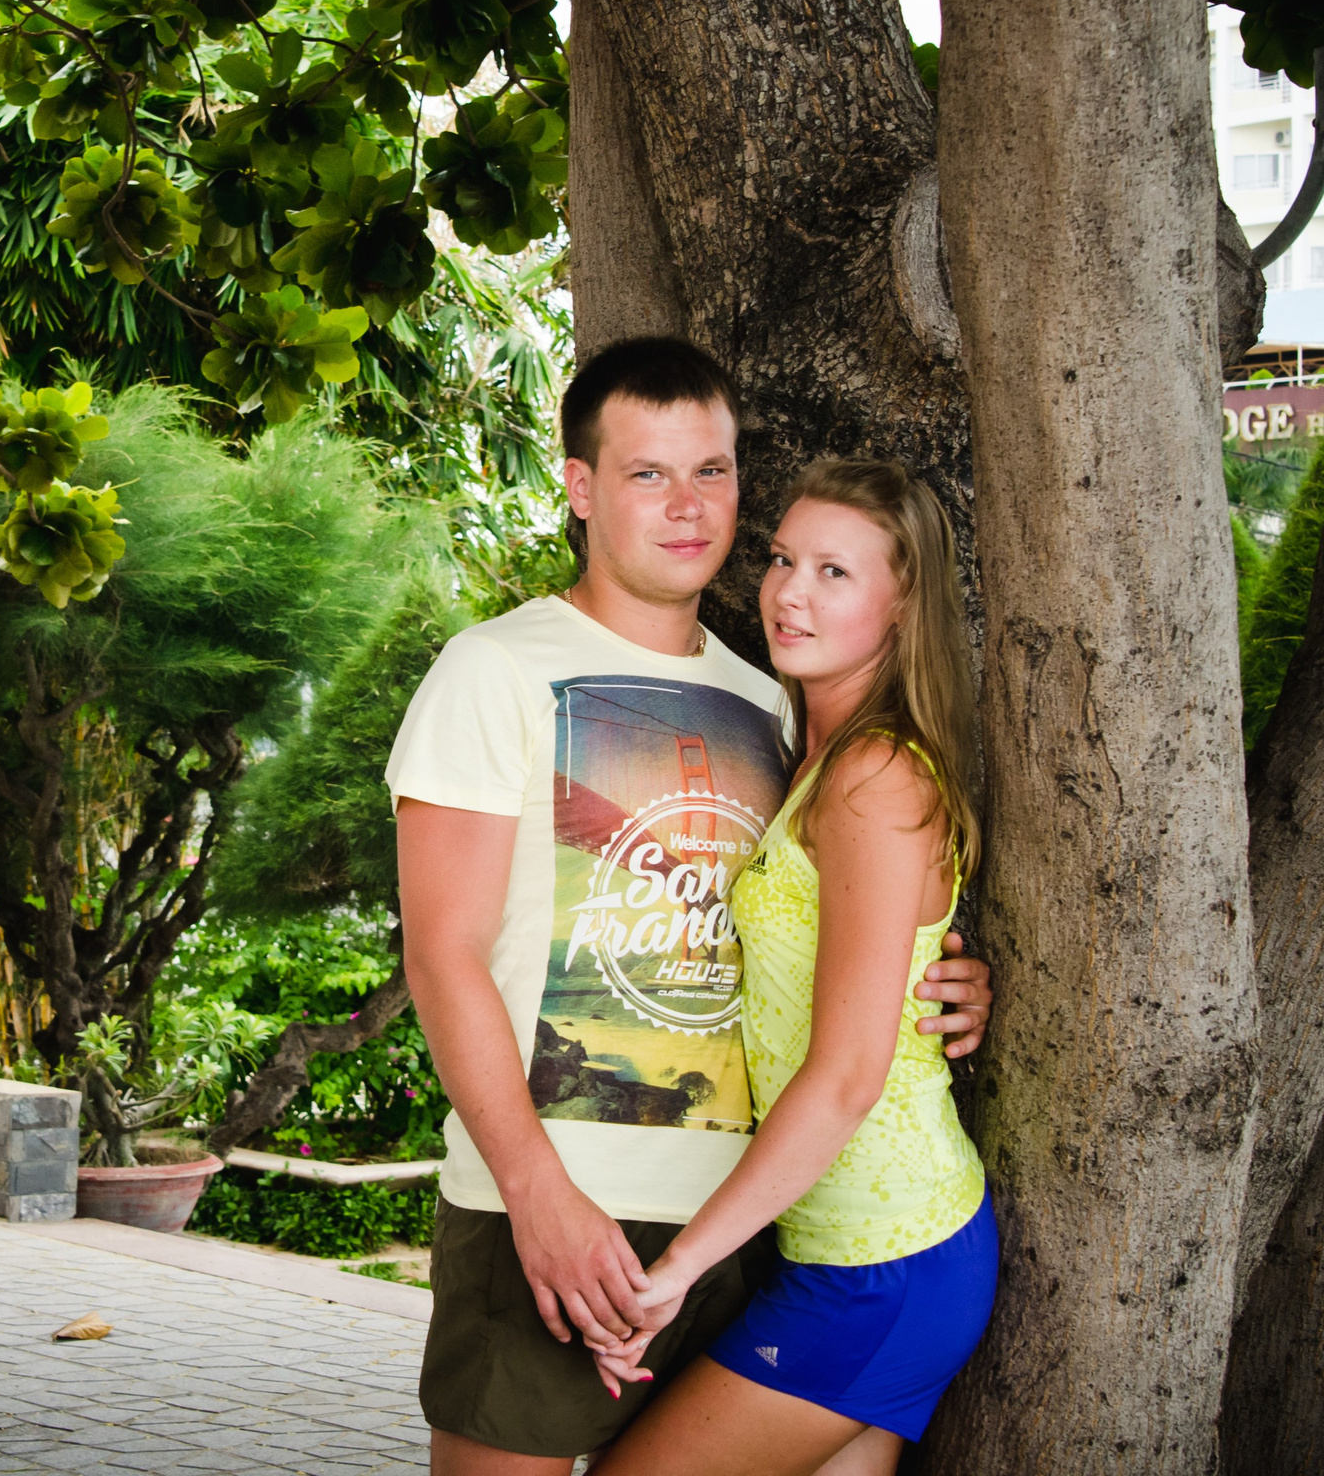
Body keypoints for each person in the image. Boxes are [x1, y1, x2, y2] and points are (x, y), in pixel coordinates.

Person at [390, 339, 993, 1475]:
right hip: (553, 1210)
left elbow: (834, 924)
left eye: (710, 472)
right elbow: (444, 960)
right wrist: (537, 1195)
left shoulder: (771, 698)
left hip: (751, 1226)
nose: (686, 507)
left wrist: (950, 968)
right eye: (647, 474)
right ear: (580, 488)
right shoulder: (493, 670)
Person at [582, 457, 995, 1476]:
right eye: (780, 558)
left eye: (834, 572)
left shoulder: (872, 776)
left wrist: (675, 1269)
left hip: (880, 1259)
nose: (788, 591)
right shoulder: (812, 754)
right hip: (871, 1253)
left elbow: (848, 1074)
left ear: (903, 609)